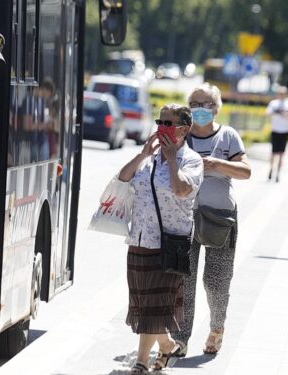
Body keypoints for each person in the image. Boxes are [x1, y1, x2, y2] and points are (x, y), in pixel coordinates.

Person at [118, 104, 204, 374]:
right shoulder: (150, 157)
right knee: (144, 303)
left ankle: (142, 363)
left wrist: (172, 160)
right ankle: (167, 346)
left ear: (184, 129)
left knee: (154, 305)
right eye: (160, 122)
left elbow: (181, 191)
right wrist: (143, 154)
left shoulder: (192, 161)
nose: (162, 128)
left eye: (168, 123)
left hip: (168, 243)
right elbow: (123, 179)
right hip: (139, 239)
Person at [172, 84, 251, 357]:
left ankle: (217, 327)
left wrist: (216, 164)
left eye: (206, 104)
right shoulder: (181, 136)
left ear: (216, 109)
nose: (200, 109)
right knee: (184, 279)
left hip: (219, 218)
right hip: (183, 218)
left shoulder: (228, 136)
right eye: (195, 103)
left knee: (216, 281)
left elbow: (246, 171)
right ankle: (179, 339)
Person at [265, 86, 288, 182]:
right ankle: (271, 169)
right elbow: (267, 113)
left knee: (281, 154)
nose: (281, 95)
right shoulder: (273, 103)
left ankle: (278, 173)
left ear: (286, 94)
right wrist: (276, 112)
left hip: (285, 131)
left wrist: (287, 114)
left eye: (283, 93)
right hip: (275, 130)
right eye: (280, 93)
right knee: (273, 153)